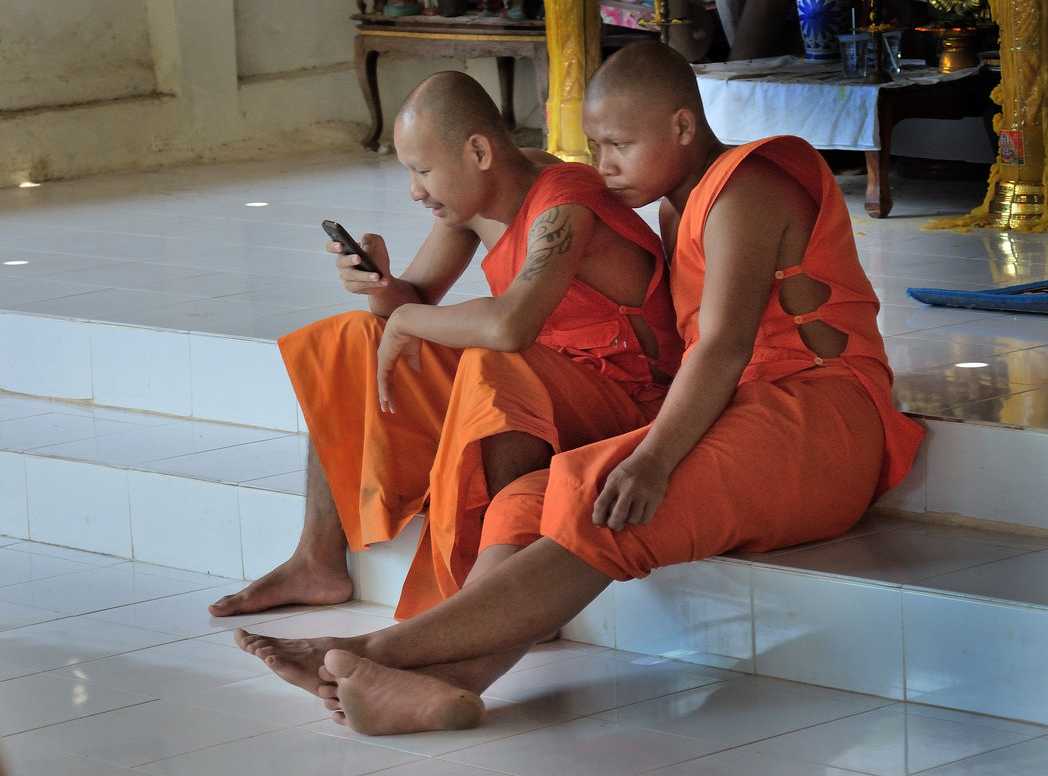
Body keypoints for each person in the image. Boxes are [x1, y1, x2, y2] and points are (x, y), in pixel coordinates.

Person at [234, 41, 924, 736]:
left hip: (824, 416)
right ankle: (449, 682)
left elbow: (722, 347)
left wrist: (652, 457)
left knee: (605, 496)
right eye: (596, 146)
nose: (603, 167)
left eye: (620, 144)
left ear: (683, 127)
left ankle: (367, 651)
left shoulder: (746, 184)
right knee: (531, 497)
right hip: (741, 410)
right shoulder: (674, 205)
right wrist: (388, 290)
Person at [209, 70, 682, 621]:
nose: (414, 191)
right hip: (549, 381)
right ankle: (317, 559)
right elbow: (408, 305)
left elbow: (510, 326)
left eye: (423, 170)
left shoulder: (563, 201)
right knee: (352, 340)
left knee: (495, 365)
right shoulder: (477, 198)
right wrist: (381, 285)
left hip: (629, 402)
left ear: (478, 151)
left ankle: (505, 590)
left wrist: (408, 316)